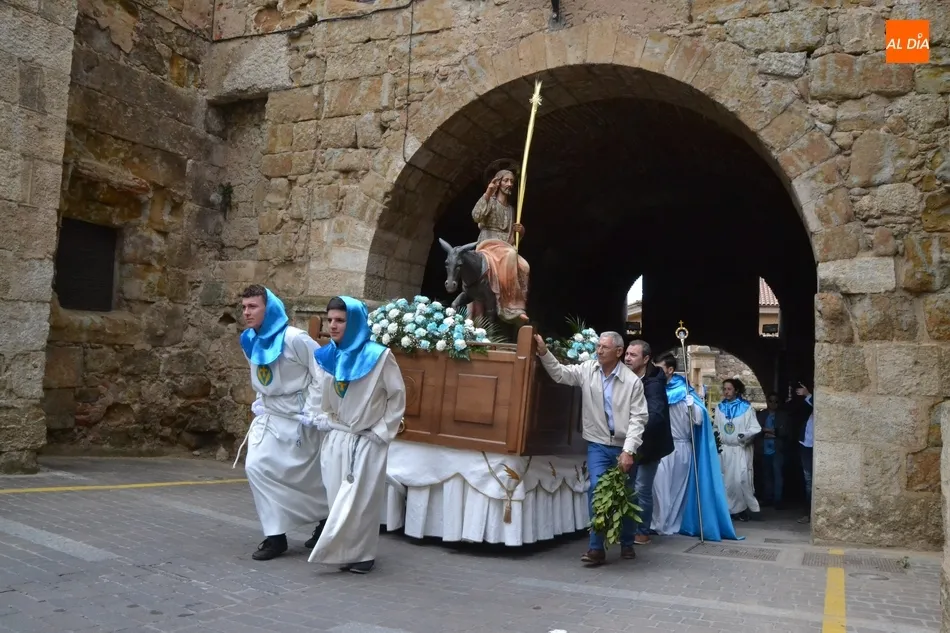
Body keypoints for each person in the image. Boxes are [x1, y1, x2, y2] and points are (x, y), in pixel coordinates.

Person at [307, 296, 406, 574]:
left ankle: (363, 554)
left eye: (340, 320)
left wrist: (381, 430)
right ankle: (342, 552)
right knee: (337, 497)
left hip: (366, 438)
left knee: (361, 501)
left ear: (355, 323)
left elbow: (397, 397)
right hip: (337, 436)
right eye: (330, 320)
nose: (333, 326)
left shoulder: (379, 356)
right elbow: (319, 394)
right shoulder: (326, 356)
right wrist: (320, 418)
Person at [534, 330, 648, 566]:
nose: (599, 350)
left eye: (604, 347)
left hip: (624, 447)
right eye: (598, 346)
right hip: (597, 444)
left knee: (625, 495)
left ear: (618, 352)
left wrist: (628, 451)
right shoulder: (588, 370)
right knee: (596, 489)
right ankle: (596, 548)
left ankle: (627, 542)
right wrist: (544, 352)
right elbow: (560, 375)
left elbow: (638, 419)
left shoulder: (632, 382)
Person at [234, 284, 329, 561]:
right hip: (271, 416)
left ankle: (325, 519)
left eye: (252, 306)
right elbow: (260, 373)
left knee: (307, 478)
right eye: (243, 307)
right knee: (256, 466)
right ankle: (275, 536)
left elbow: (320, 371)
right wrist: (261, 401)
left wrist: (313, 410)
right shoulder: (248, 339)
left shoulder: (295, 339)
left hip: (300, 417)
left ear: (269, 308)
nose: (246, 312)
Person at [653, 356, 740, 541]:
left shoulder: (684, 392)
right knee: (658, 486)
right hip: (660, 446)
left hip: (681, 446)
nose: (656, 371)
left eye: (659, 368)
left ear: (670, 370)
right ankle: (657, 522)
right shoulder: (655, 389)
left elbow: (699, 420)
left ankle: (670, 523)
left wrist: (693, 407)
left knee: (676, 489)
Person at [622, 340, 672, 545]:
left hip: (649, 444)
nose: (627, 358)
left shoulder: (654, 382)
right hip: (629, 441)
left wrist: (635, 434)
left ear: (646, 359)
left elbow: (655, 415)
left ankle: (642, 531)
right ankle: (626, 529)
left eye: (633, 355)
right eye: (626, 353)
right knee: (628, 486)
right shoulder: (623, 376)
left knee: (641, 487)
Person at [470, 168, 530, 323]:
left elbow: (511, 240)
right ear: (498, 183)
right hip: (488, 245)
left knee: (524, 266)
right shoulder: (490, 201)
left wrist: (520, 233)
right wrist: (488, 193)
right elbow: (476, 216)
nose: (509, 184)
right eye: (506, 180)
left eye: (512, 181)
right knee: (510, 255)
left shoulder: (511, 210)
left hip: (505, 247)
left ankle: (518, 303)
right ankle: (511, 307)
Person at [715, 378, 761, 522]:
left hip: (740, 449)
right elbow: (716, 426)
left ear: (736, 390)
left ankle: (742, 509)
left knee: (741, 480)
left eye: (729, 389)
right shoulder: (719, 407)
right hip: (726, 450)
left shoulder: (746, 408)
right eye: (724, 389)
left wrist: (744, 436)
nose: (726, 392)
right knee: (727, 482)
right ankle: (729, 510)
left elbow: (755, 428)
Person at [756, 392, 790, 508]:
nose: (773, 403)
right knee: (766, 475)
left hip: (778, 449)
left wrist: (767, 430)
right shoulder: (761, 415)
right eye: (770, 401)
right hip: (764, 449)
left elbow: (784, 431)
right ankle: (767, 498)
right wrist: (772, 431)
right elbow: (756, 430)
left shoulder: (783, 416)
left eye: (776, 401)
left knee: (778, 474)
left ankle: (778, 500)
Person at [796, 383, 814, 524]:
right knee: (807, 481)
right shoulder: (805, 405)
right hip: (806, 445)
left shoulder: (812, 399)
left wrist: (808, 394)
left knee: (811, 482)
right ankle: (808, 514)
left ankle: (811, 514)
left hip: (814, 445)